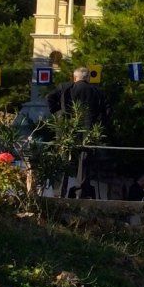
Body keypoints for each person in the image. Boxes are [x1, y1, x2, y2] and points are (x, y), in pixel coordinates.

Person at [47, 67, 110, 195]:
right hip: (88, 129)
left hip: (67, 127)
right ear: (88, 78)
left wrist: (58, 113)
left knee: (63, 157)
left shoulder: (65, 87)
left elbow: (49, 97)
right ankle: (81, 190)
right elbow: (107, 110)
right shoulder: (96, 91)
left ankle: (59, 191)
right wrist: (99, 123)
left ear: (74, 77)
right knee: (84, 160)